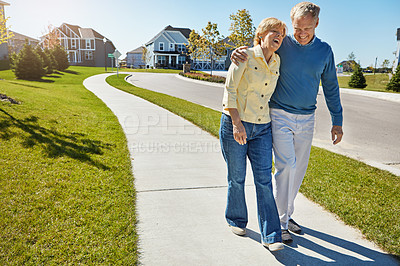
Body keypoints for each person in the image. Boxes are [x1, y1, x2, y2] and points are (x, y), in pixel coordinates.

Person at [231, 2, 343, 244]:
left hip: (307, 117)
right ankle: (279, 223)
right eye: (297, 28)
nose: (301, 33)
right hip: (279, 113)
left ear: (317, 24)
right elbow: (258, 51)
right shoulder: (282, 43)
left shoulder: (325, 50)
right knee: (286, 166)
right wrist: (236, 53)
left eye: (307, 28)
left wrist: (337, 120)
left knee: (298, 169)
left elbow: (332, 87)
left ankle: (285, 214)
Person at [220, 17, 287, 252]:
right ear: (262, 34)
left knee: (264, 180)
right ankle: (236, 219)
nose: (279, 36)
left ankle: (271, 235)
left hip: (262, 127)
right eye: (274, 31)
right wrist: (237, 124)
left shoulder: (278, 60)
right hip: (235, 124)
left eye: (282, 33)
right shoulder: (244, 55)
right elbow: (229, 90)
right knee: (236, 178)